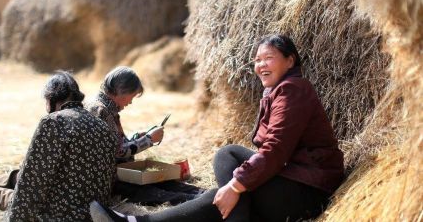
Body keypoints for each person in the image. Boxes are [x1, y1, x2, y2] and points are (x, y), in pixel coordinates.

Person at [89, 34, 345, 222]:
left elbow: (275, 150)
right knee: (227, 158)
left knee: (223, 188)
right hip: (295, 177)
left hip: (306, 190)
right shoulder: (279, 91)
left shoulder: (292, 91)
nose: (261, 65)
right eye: (257, 60)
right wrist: (236, 186)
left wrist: (235, 187)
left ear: (290, 61)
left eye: (269, 58)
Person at [0, 71, 117, 221]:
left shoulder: (54, 122)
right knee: (17, 175)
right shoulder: (102, 125)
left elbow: (30, 186)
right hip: (95, 213)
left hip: (58, 214)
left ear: (51, 99)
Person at [86, 66, 203, 206]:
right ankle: (199, 201)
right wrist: (148, 140)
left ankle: (204, 195)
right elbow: (119, 152)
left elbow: (113, 144)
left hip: (119, 173)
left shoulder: (101, 106)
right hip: (111, 181)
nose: (130, 102)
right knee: (159, 194)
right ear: (121, 90)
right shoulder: (101, 111)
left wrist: (137, 138)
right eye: (132, 96)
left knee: (163, 182)